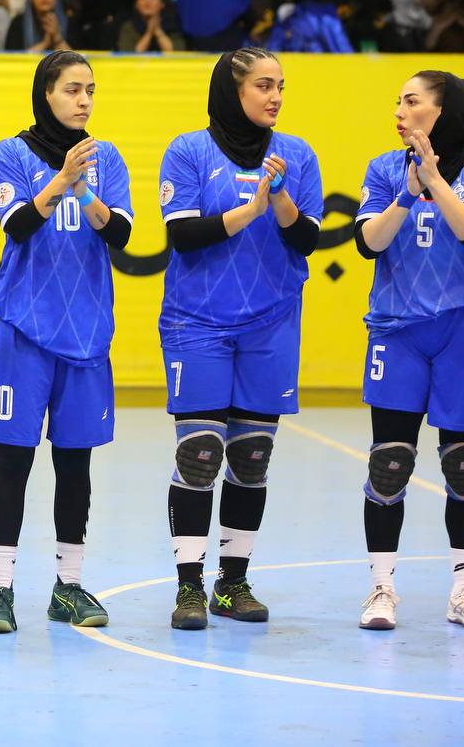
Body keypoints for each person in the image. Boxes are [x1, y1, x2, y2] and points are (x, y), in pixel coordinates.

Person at [157, 48, 322, 631]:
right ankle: (189, 586)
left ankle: (232, 583)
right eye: (263, 85)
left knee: (251, 458)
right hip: (197, 322)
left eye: (281, 86)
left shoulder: (297, 155)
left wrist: (278, 200)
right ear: (233, 91)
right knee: (199, 454)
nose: (275, 97)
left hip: (271, 323)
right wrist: (251, 209)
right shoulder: (189, 151)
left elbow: (306, 239)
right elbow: (183, 235)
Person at [0, 50, 134, 634]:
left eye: (90, 90)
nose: (84, 99)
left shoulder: (106, 158)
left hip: (86, 334)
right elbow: (17, 225)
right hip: (22, 329)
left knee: (75, 462)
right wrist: (62, 180)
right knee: (13, 460)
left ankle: (68, 586)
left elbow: (121, 232)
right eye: (72, 89)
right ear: (46, 93)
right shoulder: (11, 154)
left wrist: (85, 191)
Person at [352, 71, 464, 631]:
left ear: (443, 111)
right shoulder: (383, 169)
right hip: (397, 330)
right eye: (397, 100)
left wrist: (434, 179)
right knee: (389, 462)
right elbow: (369, 242)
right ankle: (381, 590)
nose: (399, 110)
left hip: (463, 330)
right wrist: (406, 191)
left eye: (411, 101)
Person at [5, 0, 72, 51]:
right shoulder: (18, 23)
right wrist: (45, 43)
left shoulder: (70, 23)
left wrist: (57, 38)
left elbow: (78, 57)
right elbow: (13, 56)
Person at [117, 0, 186, 52]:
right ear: (136, 4)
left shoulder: (173, 24)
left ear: (162, 3)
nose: (147, 1)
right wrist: (149, 32)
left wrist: (158, 30)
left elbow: (177, 53)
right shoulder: (129, 27)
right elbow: (129, 55)